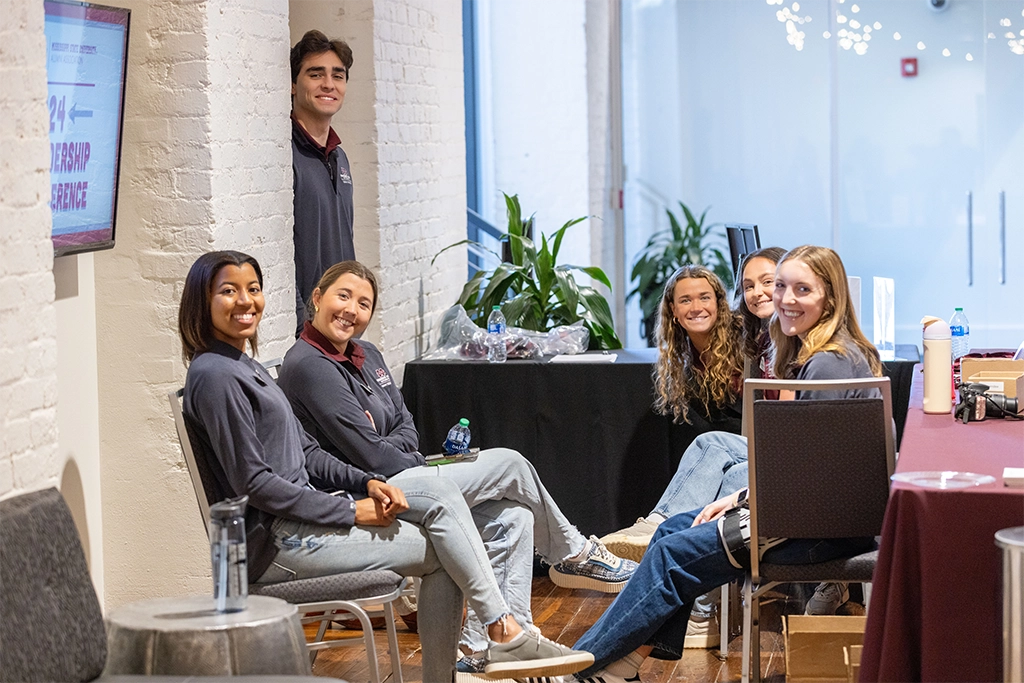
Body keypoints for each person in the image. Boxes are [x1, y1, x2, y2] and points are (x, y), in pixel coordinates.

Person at [177, 251, 594, 683]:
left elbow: (307, 453)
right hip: (278, 545)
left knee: (455, 537)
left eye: (253, 289)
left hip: (304, 521)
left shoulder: (244, 365)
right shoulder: (216, 375)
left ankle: (494, 642)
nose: (245, 301)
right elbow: (256, 485)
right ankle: (502, 633)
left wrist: (367, 481)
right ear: (201, 301)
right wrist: (350, 509)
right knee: (449, 530)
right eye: (228, 291)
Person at [526, 245, 884, 683]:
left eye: (802, 289)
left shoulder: (826, 364)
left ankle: (578, 668)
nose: (786, 299)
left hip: (815, 532)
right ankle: (622, 665)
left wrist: (743, 502)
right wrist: (740, 496)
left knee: (670, 554)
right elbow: (805, 466)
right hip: (809, 518)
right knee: (674, 528)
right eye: (783, 286)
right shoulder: (829, 353)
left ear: (830, 297)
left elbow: (808, 478)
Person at [275, 260, 639, 672]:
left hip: (405, 470)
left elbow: (404, 426)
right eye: (343, 296)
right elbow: (371, 457)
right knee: (512, 464)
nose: (351, 310)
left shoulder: (368, 354)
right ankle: (571, 553)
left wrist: (389, 440)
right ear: (318, 298)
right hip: (373, 491)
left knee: (514, 516)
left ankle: (480, 653)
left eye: (364, 303)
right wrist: (391, 446)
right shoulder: (308, 364)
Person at [290, 30, 356, 335]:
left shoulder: (339, 158)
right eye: (315, 74)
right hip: (303, 329)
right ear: (293, 84)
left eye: (337, 76)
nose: (328, 84)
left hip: (340, 323)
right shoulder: (283, 152)